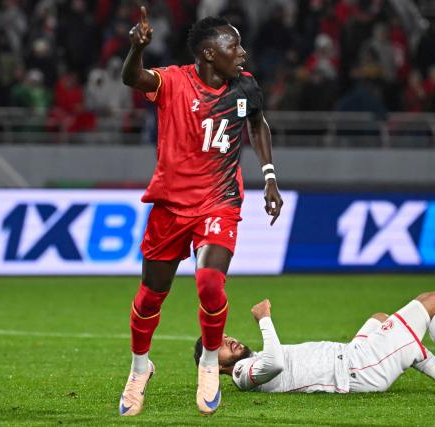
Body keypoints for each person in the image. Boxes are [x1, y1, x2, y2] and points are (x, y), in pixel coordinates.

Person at [118, 7, 283, 417]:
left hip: (219, 201)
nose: (242, 53)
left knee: (210, 282)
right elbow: (132, 78)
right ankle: (140, 369)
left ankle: (210, 361)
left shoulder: (244, 87)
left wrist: (269, 176)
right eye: (234, 45)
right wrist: (136, 50)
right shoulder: (173, 82)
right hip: (171, 206)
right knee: (150, 296)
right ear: (209, 53)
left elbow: (257, 123)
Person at [195, 294, 435, 394]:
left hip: (351, 359)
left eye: (224, 336)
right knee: (432, 301)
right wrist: (264, 318)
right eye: (220, 345)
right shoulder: (241, 374)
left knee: (379, 317)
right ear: (215, 366)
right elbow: (275, 363)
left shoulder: (248, 365)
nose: (228, 340)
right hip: (356, 368)